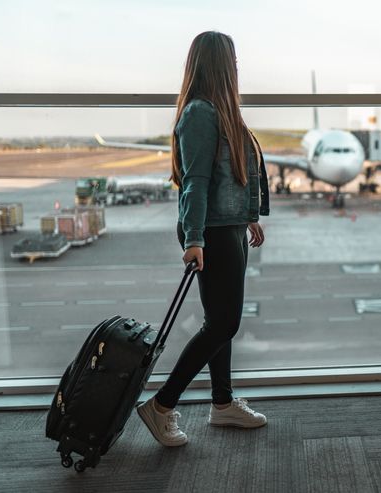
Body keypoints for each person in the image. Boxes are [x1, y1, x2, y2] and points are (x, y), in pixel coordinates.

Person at [136, 31, 270, 447]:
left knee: (220, 322)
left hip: (227, 227)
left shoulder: (224, 111)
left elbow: (240, 171)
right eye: (232, 60)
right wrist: (194, 238)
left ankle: (222, 403)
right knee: (225, 322)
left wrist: (249, 217)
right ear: (219, 64)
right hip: (209, 230)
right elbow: (194, 182)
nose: (237, 67)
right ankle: (161, 406)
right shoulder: (199, 113)